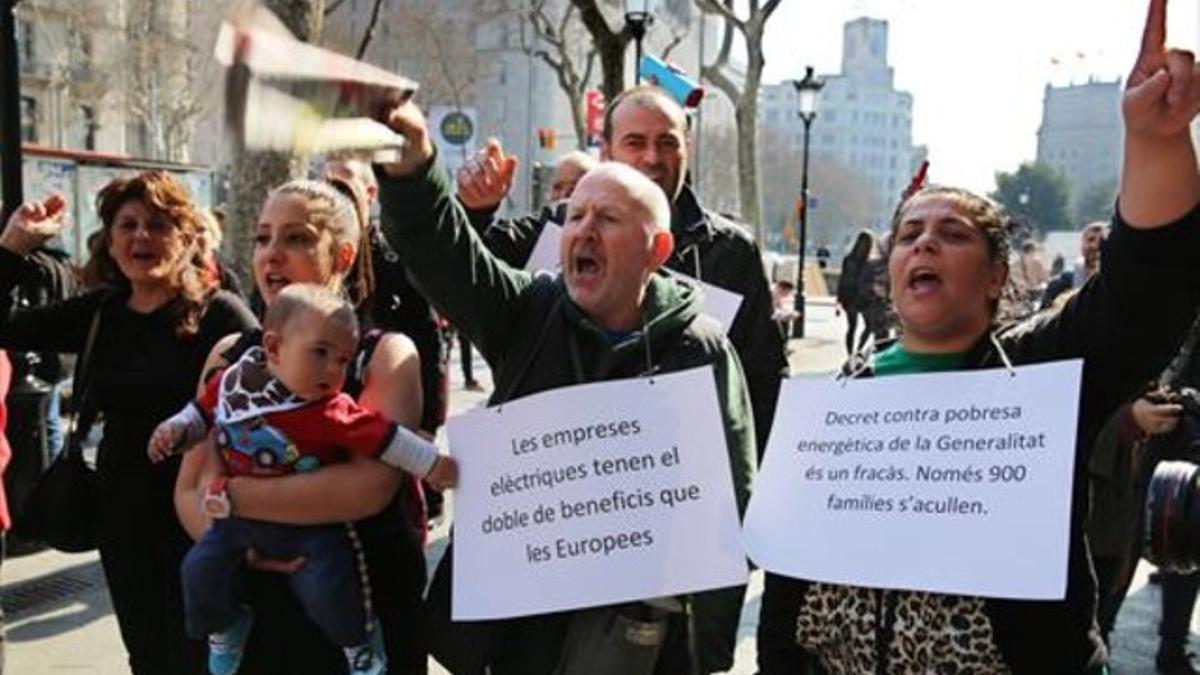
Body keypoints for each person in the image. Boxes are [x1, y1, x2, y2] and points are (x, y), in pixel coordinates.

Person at [761, 1, 1200, 670]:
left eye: (953, 234)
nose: (925, 242)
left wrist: (1155, 141)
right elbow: (788, 585)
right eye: (910, 234)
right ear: (892, 269)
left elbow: (1147, 297)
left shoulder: (1038, 376)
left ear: (996, 275)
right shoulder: (835, 403)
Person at [374, 97, 756, 674]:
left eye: (608, 219)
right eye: (576, 217)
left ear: (657, 250)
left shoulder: (699, 350)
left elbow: (731, 503)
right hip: (522, 634)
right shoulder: (528, 310)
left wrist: (706, 651)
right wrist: (411, 167)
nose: (584, 231)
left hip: (637, 640)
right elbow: (441, 250)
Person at [0, 179, 259, 674]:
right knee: (146, 652)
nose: (142, 237)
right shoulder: (101, 313)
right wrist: (13, 247)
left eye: (158, 225)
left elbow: (270, 382)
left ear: (186, 238)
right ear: (111, 242)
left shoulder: (218, 313)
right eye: (128, 225)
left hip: (198, 515)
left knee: (204, 654)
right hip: (122, 518)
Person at [174, 178, 431, 675]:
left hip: (360, 599)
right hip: (256, 603)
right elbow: (190, 487)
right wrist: (248, 546)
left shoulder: (384, 355)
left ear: (342, 256)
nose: (272, 255)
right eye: (263, 237)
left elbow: (364, 488)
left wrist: (234, 501)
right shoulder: (228, 356)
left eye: (296, 238)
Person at [457, 86, 786, 459]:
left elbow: (763, 381)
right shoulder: (557, 227)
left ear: (686, 151)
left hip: (679, 481)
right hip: (554, 471)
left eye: (667, 142)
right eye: (635, 142)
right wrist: (474, 211)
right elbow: (462, 276)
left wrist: (744, 494)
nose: (652, 157)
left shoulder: (731, 251)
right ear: (606, 152)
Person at [152, 284, 455, 675]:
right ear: (274, 348)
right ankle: (225, 627)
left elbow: (386, 439)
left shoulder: (330, 410)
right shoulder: (233, 381)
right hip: (238, 527)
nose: (333, 370)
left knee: (330, 592)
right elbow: (201, 413)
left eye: (343, 360)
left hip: (313, 532)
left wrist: (431, 464)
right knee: (198, 572)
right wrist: (174, 430)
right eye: (320, 353)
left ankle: (359, 644)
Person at [323, 156, 450, 520]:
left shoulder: (396, 261)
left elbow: (429, 342)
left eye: (344, 188)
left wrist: (426, 425)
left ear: (370, 193)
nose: (335, 199)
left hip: (390, 419)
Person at [1041, 221, 1106, 308]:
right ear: (1082, 245)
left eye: (1103, 240)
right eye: (1091, 239)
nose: (1096, 245)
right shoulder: (1060, 284)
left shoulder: (1121, 284)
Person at [835, 230, 874, 355]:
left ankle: (854, 353)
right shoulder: (864, 261)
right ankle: (855, 352)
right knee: (861, 326)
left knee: (857, 327)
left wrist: (839, 298)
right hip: (855, 297)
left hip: (855, 297)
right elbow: (843, 278)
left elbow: (843, 279)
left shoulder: (852, 259)